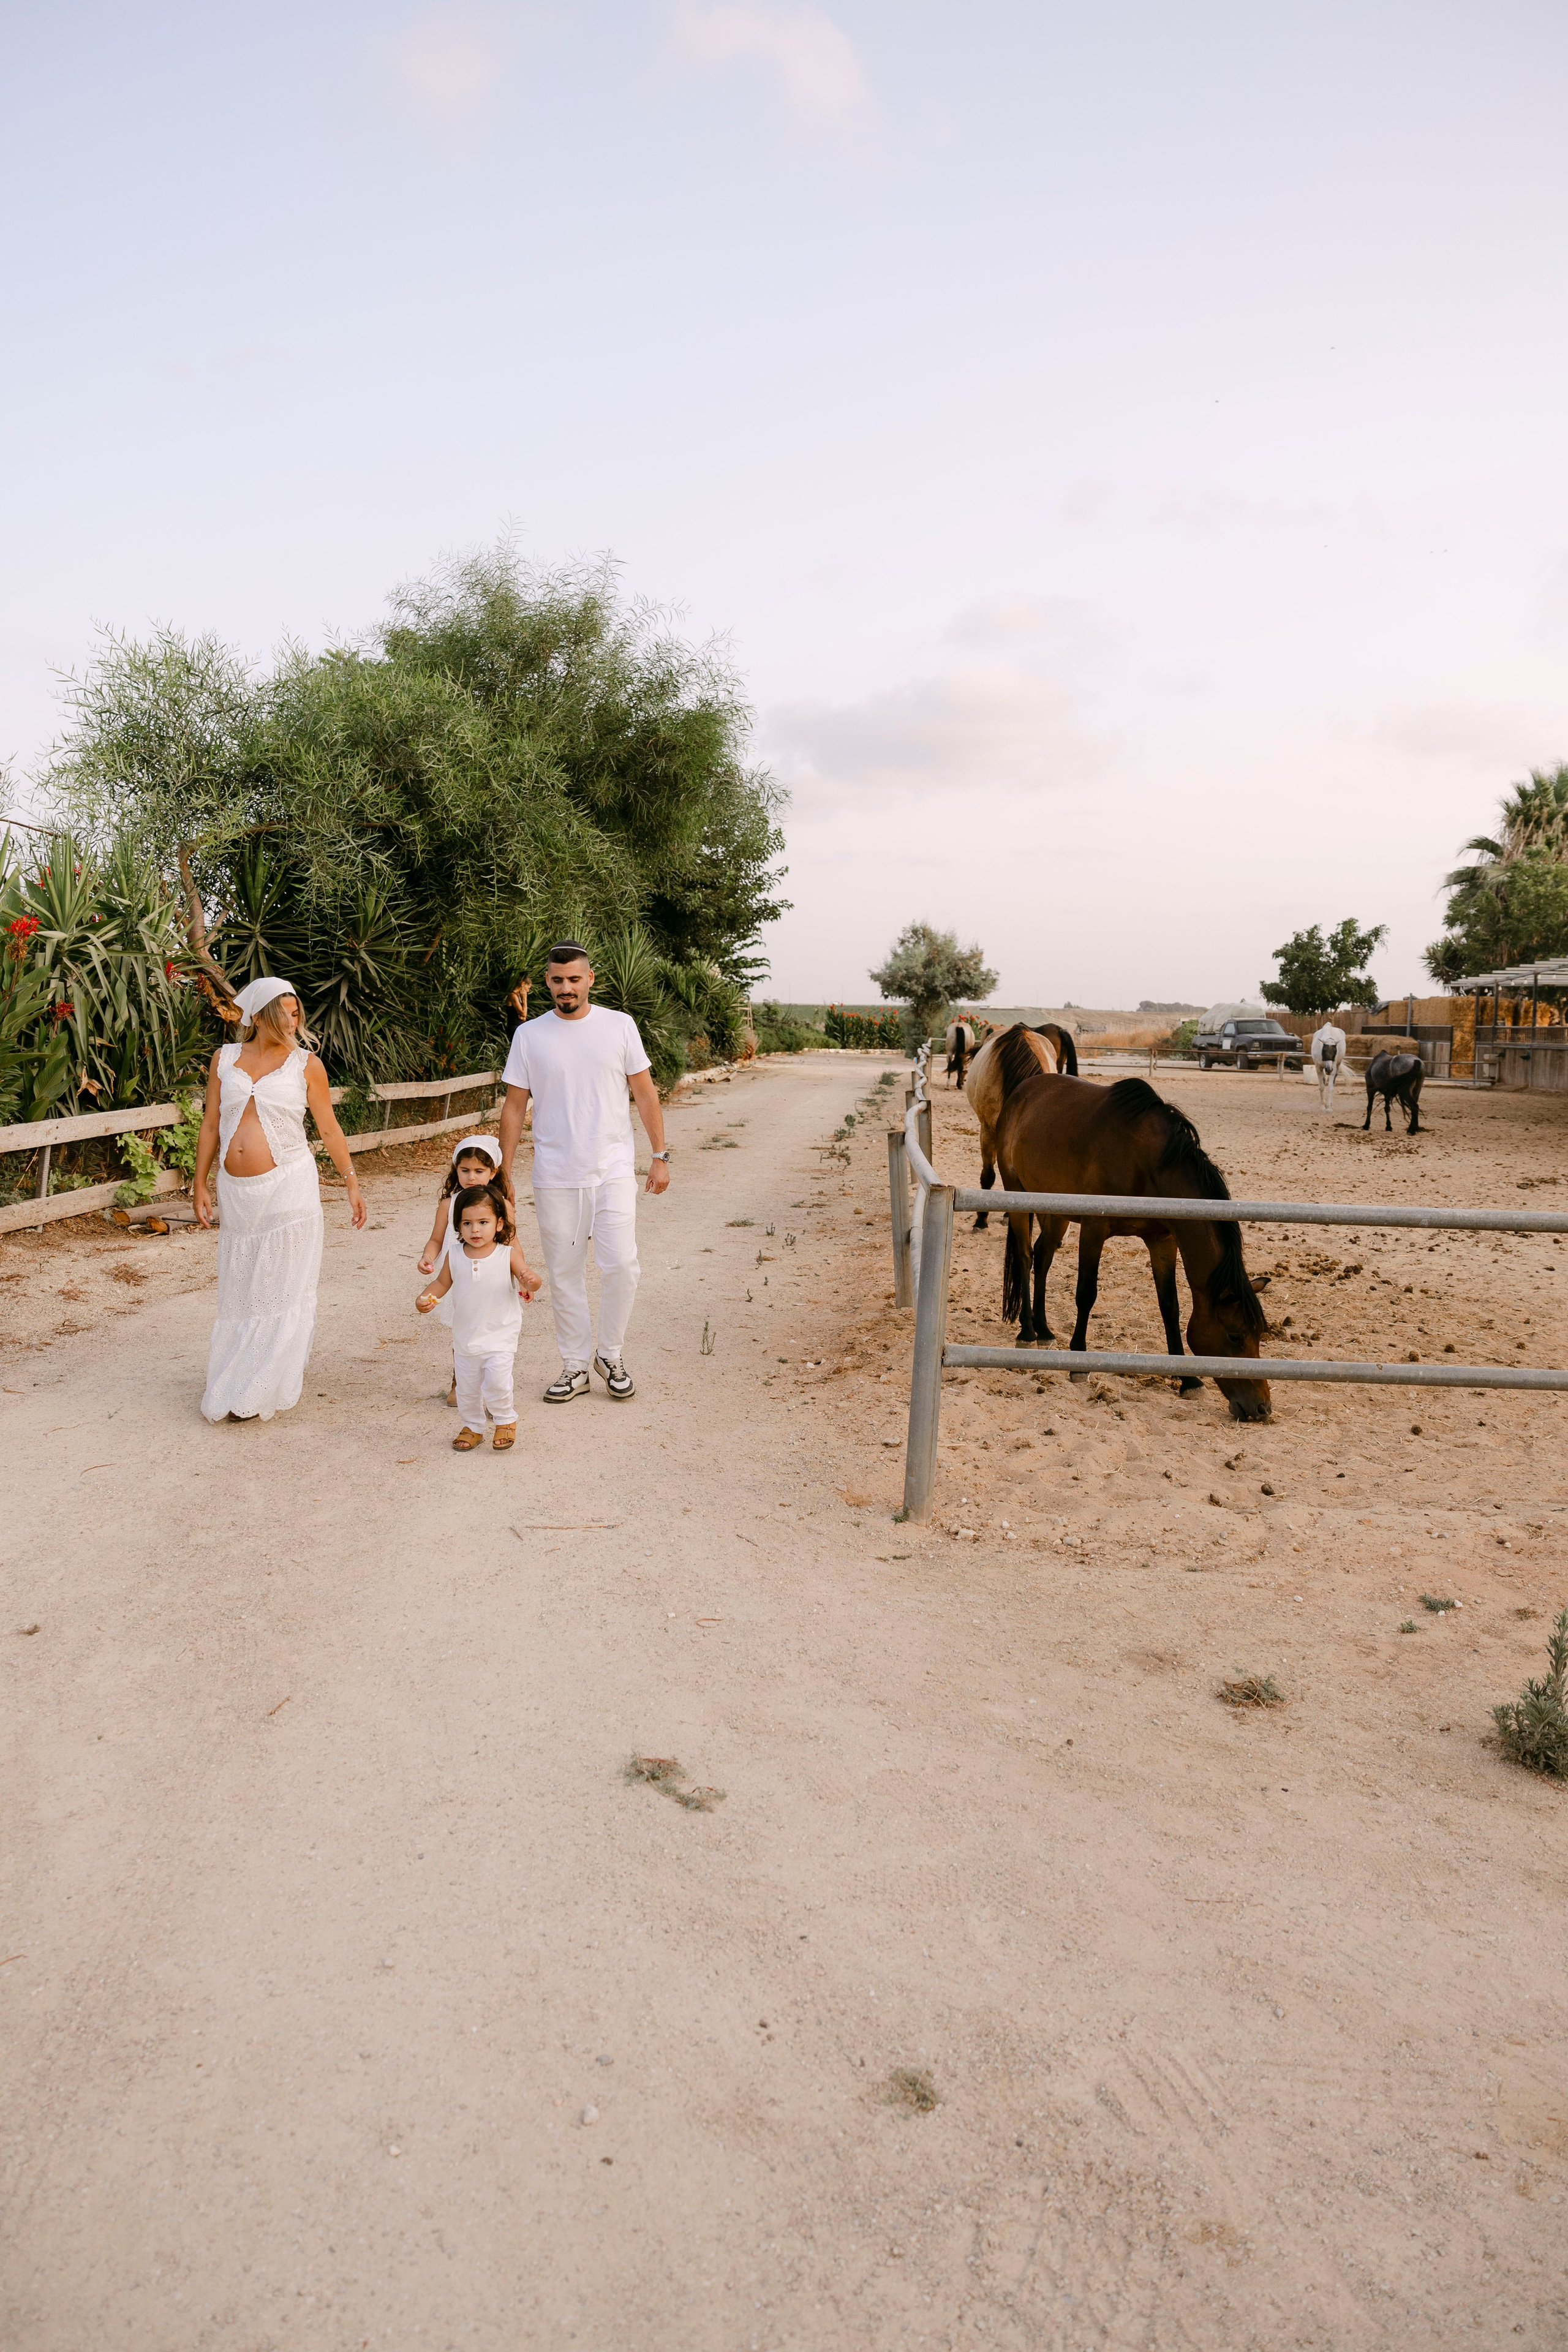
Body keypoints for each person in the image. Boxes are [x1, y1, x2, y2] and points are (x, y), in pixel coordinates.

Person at [496, 940, 669, 1403]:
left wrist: (660, 1154)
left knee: (623, 1266)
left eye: (574, 979)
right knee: (565, 1273)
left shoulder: (620, 1026)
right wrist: (504, 1171)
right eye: (557, 980)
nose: (566, 988)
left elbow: (646, 1094)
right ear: (547, 982)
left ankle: (610, 1355)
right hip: (555, 1174)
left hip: (612, 1169)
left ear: (590, 979)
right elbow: (515, 1108)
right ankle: (574, 1366)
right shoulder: (530, 1036)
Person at [192, 977, 366, 1423]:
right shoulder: (224, 1059)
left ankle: (258, 1388)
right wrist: (200, 1182)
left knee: (279, 1286)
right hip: (238, 1193)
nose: (294, 1020)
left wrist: (350, 1181)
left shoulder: (306, 1065)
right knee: (241, 1287)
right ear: (264, 1015)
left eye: (296, 1012)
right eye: (285, 1012)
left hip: (290, 1185)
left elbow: (328, 1128)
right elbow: (212, 1124)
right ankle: (235, 1375)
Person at [415, 1180, 541, 1450]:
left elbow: (527, 1279)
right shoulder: (455, 1254)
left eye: (483, 1222)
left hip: (500, 1333)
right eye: (467, 1223)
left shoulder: (507, 1254)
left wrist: (531, 1281)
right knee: (467, 1388)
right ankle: (473, 1426)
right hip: (466, 1335)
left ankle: (506, 1419)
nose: (475, 1229)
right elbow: (441, 1284)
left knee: (497, 1381)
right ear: (458, 1226)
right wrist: (424, 1298)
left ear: (498, 1224)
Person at [418, 1134, 515, 1405]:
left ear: (493, 1172)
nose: (471, 1177)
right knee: (464, 1329)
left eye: (479, 1171)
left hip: (492, 1276)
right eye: (465, 1170)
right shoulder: (449, 1205)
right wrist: (427, 1257)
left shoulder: (501, 1206)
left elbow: (512, 1245)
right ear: (456, 1170)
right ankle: (460, 1380)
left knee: (492, 1329)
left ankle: (494, 1380)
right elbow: (437, 1239)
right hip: (459, 1275)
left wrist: (522, 1275)